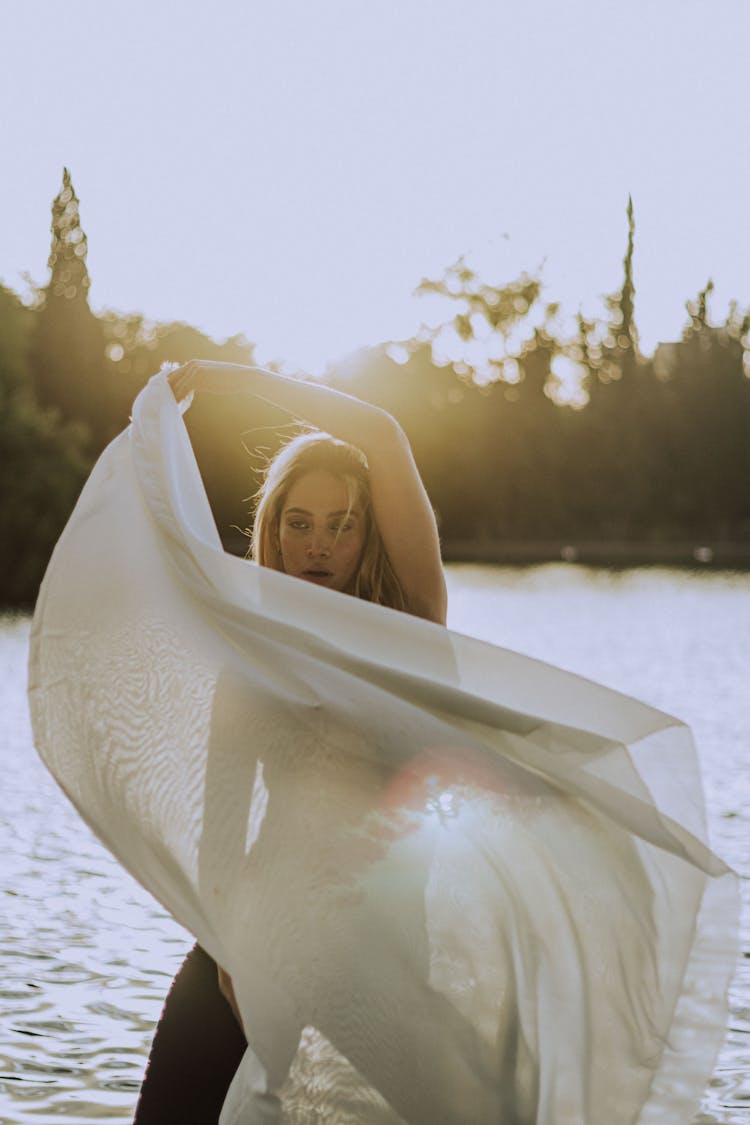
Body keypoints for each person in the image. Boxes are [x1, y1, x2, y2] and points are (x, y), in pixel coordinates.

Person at [133, 357, 449, 1124]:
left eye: (342, 525)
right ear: (272, 530)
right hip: (254, 928)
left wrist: (228, 379)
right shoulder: (254, 652)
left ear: (369, 533)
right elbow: (222, 815)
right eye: (299, 524)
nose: (319, 546)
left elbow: (381, 432)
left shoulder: (412, 626)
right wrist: (227, 951)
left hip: (377, 943)